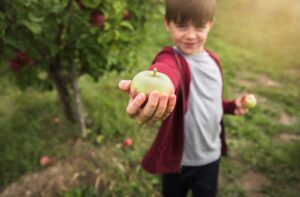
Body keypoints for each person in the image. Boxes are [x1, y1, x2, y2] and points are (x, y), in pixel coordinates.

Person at [119, 0, 248, 196]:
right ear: (167, 23)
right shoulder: (171, 58)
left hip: (210, 157)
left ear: (210, 24)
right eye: (181, 26)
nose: (190, 35)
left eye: (199, 26)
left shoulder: (214, 61)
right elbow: (167, 70)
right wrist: (163, 85)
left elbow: (211, 102)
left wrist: (230, 106)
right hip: (178, 160)